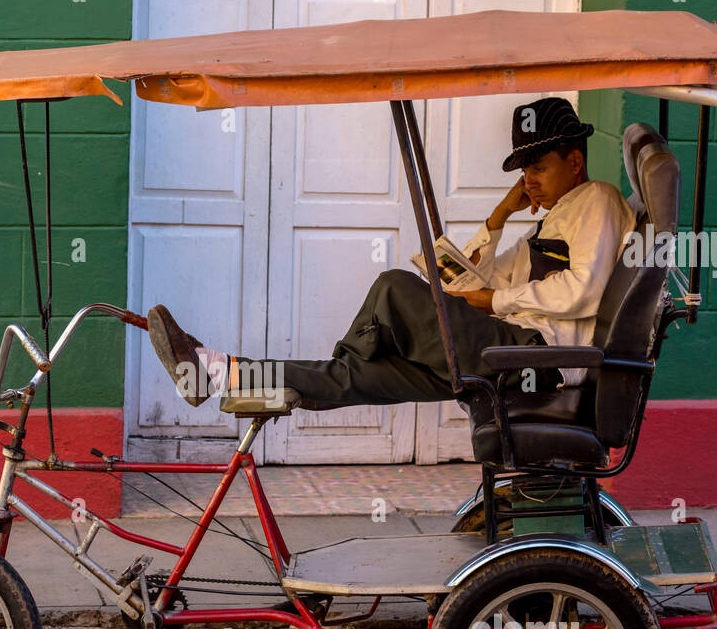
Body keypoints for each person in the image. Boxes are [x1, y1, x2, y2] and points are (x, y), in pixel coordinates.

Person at [148, 97, 636, 410]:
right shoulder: (549, 219)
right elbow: (474, 280)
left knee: (394, 288)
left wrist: (496, 302)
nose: (528, 180)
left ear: (575, 162)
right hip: (506, 348)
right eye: (522, 170)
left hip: (537, 358)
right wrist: (499, 217)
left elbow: (585, 290)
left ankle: (348, 355)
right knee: (353, 377)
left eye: (539, 168)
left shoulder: (597, 202)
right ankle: (216, 369)